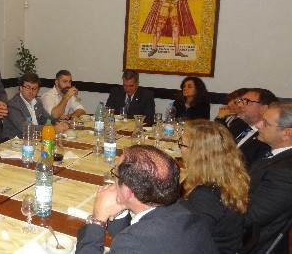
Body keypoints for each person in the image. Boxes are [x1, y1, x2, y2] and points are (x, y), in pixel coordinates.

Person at [76, 145, 217, 253]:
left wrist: (98, 220)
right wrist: (123, 206)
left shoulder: (134, 243)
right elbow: (139, 230)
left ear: (129, 192)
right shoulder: (184, 208)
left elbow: (136, 241)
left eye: (116, 175)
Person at [179, 120, 250, 253]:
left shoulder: (205, 196)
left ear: (198, 154)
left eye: (182, 144)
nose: (181, 149)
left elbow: (187, 242)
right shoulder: (228, 178)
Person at [243, 102, 292, 254]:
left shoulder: (286, 172)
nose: (258, 125)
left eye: (265, 123)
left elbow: (249, 217)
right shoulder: (274, 154)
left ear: (286, 133)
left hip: (247, 242)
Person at [2, 72, 68, 139]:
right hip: (16, 142)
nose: (31, 91)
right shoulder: (13, 105)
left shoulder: (37, 102)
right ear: (21, 88)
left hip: (36, 138)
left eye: (34, 88)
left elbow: (47, 118)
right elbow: (25, 129)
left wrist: (60, 123)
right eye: (28, 87)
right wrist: (52, 128)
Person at [234, 88, 278, 167]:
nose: (239, 105)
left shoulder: (266, 138)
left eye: (247, 101)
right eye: (241, 101)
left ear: (263, 109)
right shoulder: (238, 123)